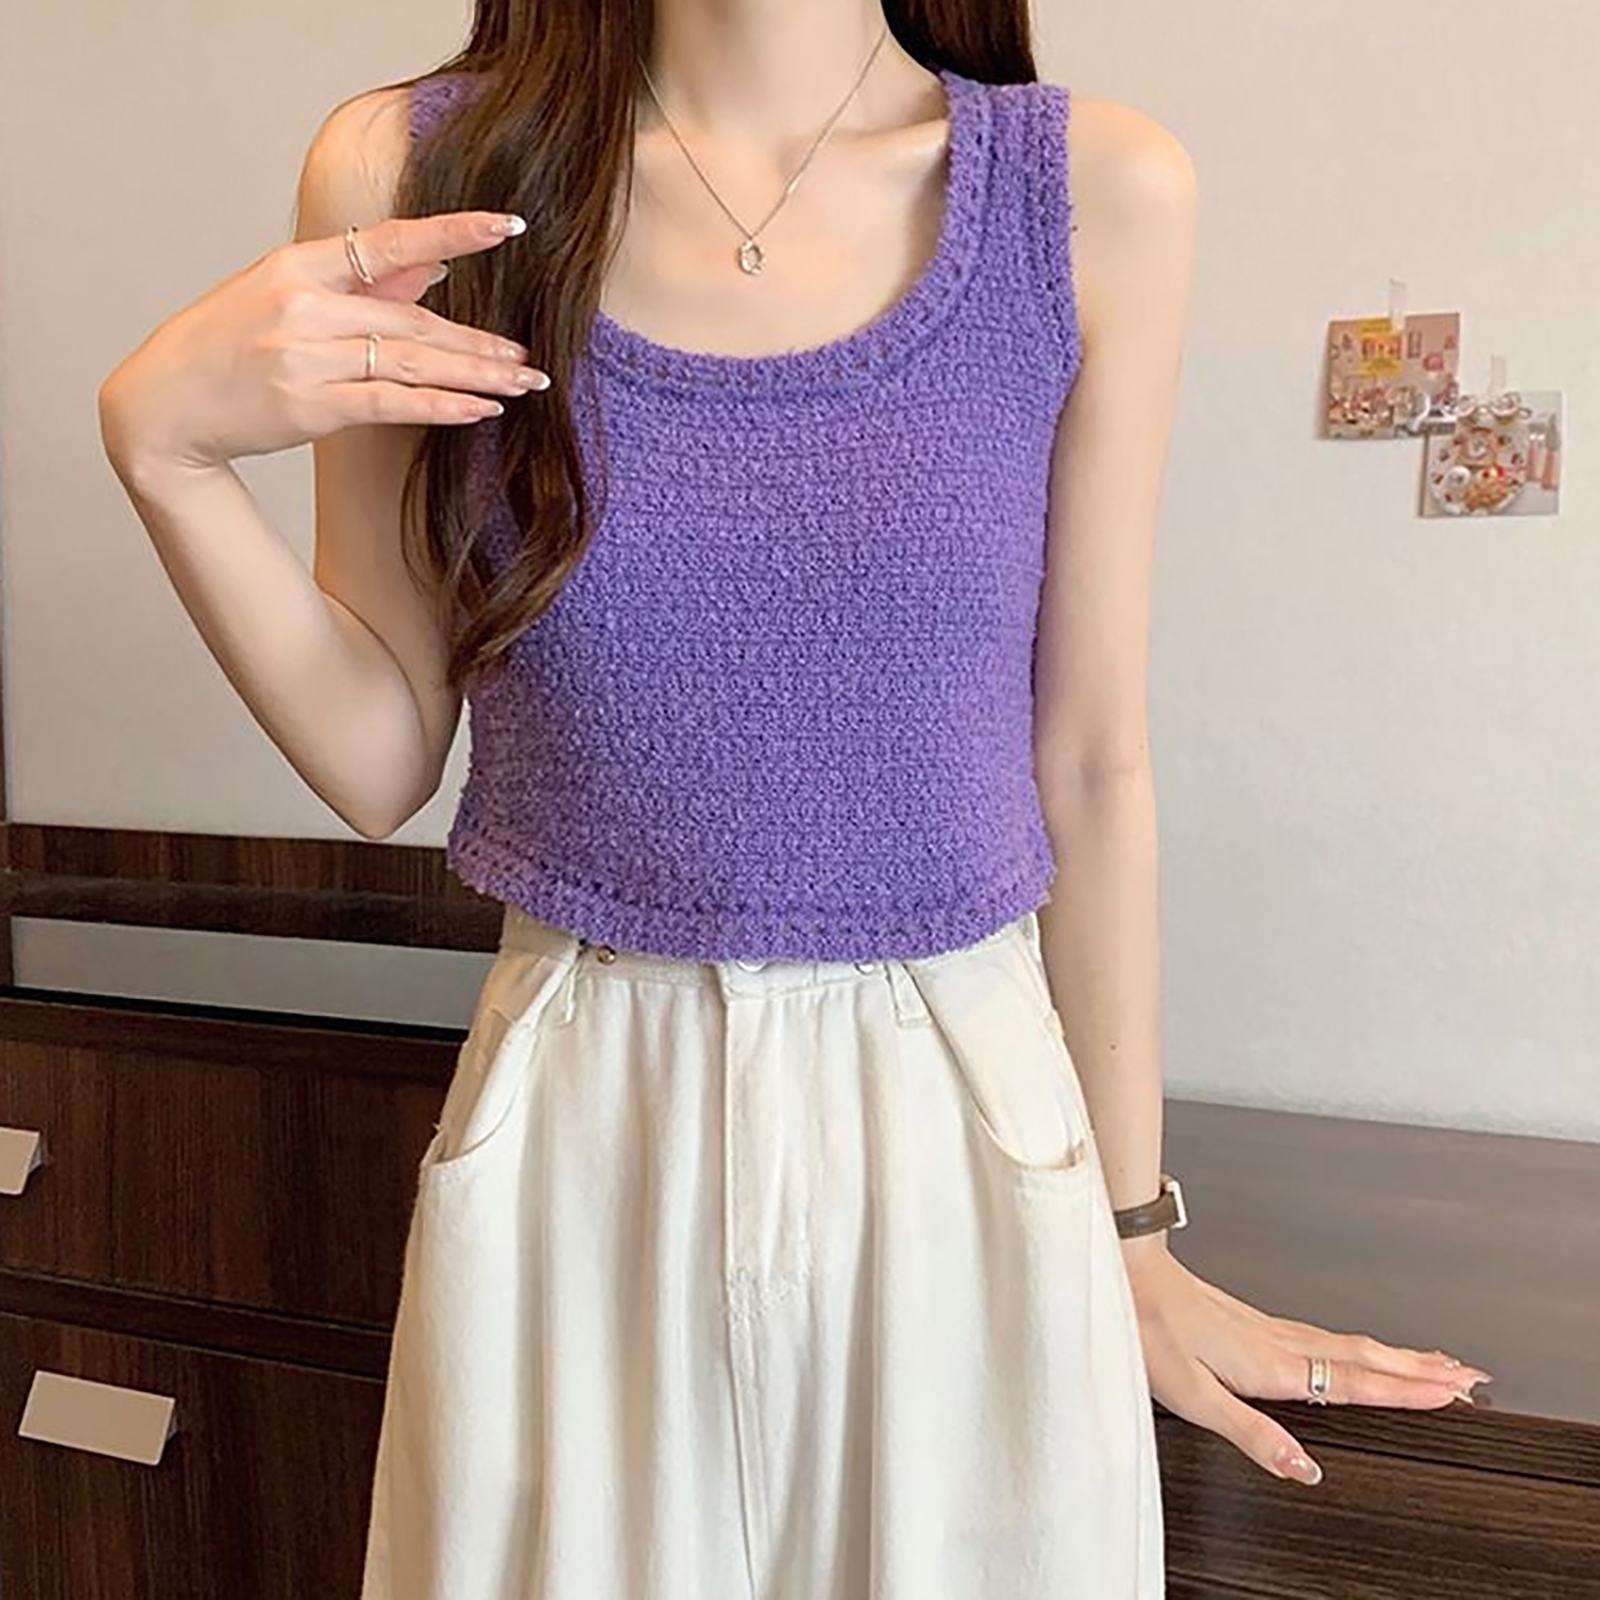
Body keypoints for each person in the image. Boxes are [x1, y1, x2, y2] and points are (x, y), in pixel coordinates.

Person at [96, 2, 1493, 1595]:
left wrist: (1133, 1237)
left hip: (956, 1116)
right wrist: (165, 454)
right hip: (582, 1109)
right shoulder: (418, 168)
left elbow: (1093, 756)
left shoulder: (1094, 192)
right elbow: (379, 755)